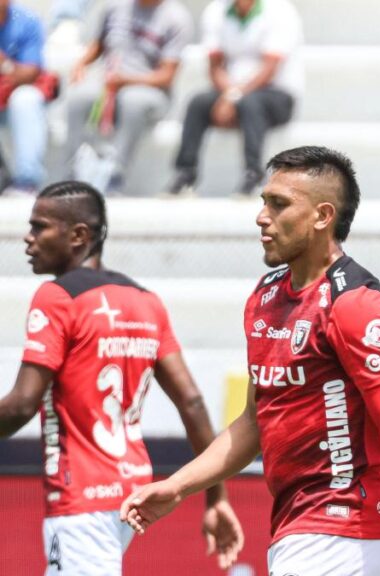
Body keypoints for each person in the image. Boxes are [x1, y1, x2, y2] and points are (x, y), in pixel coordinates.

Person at [121, 146, 380, 576]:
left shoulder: (355, 304)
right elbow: (254, 422)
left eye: (278, 204)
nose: (261, 217)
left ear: (322, 216)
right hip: (298, 525)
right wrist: (177, 487)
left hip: (346, 522)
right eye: (264, 201)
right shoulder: (266, 296)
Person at [0, 181, 242, 573]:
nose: (28, 238)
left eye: (39, 227)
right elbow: (192, 401)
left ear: (78, 235)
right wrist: (217, 498)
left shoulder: (57, 297)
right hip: (132, 490)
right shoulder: (145, 300)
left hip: (81, 494)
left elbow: (21, 406)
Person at [165, 0, 303, 198]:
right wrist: (230, 94)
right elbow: (215, 66)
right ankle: (185, 174)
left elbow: (269, 69)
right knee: (198, 103)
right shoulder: (215, 11)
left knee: (251, 104)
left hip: (277, 94)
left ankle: (253, 175)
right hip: (231, 91)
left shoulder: (280, 10)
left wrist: (233, 97)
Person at [61, 0, 193, 194]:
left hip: (151, 91)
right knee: (78, 98)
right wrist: (81, 63)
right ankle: (73, 173)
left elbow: (167, 76)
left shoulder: (176, 18)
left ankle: (114, 175)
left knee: (133, 101)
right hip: (109, 85)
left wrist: (126, 80)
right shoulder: (114, 6)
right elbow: (99, 44)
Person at [0, 0, 48, 195]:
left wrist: (4, 64)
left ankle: (26, 182)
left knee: (26, 99)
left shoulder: (26, 20)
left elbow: (31, 73)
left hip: (11, 98)